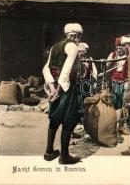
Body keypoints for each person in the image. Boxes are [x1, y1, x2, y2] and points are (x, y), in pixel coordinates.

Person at [42, 23, 83, 164]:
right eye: (79, 37)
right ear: (76, 36)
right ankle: (64, 156)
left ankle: (49, 152)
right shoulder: (72, 46)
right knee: (68, 118)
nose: (78, 39)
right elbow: (66, 71)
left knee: (54, 118)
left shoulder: (55, 46)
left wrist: (52, 89)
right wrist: (58, 90)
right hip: (67, 89)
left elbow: (46, 69)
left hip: (55, 87)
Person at [106, 37, 130, 137]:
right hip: (114, 83)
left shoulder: (128, 56)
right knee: (114, 105)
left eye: (120, 48)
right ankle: (113, 128)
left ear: (125, 47)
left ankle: (120, 127)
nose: (118, 50)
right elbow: (107, 66)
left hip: (125, 82)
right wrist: (110, 59)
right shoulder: (113, 54)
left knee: (124, 105)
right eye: (117, 48)